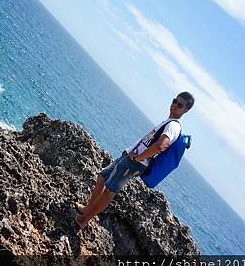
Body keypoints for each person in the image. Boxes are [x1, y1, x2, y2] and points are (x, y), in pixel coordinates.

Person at [74, 92, 194, 229]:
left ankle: (84, 220)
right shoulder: (168, 121)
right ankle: (87, 209)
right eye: (175, 101)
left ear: (186, 110)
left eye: (180, 105)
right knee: (102, 177)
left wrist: (138, 158)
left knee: (110, 191)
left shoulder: (174, 126)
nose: (175, 105)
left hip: (135, 162)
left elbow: (160, 146)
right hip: (130, 156)